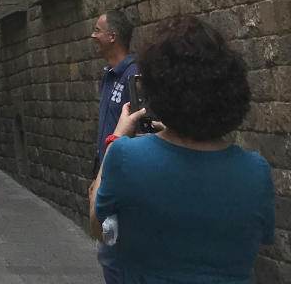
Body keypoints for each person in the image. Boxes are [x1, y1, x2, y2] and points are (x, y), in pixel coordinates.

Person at [91, 15, 274, 283]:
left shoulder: (126, 157)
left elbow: (99, 225)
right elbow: (260, 238)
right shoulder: (256, 171)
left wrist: (115, 138)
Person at [91, 10, 137, 284]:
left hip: (123, 182)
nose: (93, 35)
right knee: (108, 257)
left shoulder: (133, 76)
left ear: (113, 36)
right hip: (106, 175)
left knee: (115, 257)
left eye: (98, 30)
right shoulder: (109, 75)